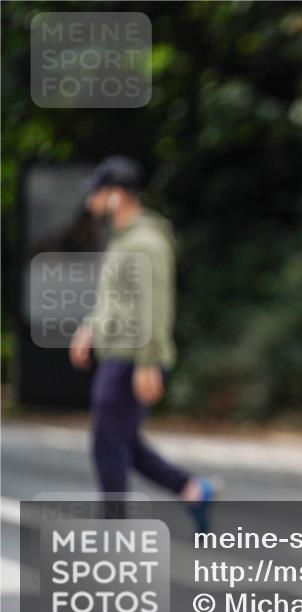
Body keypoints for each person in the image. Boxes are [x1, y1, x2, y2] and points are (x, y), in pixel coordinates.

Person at [68, 156, 214, 531]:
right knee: (122, 442)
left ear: (116, 196)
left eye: (96, 194)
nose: (90, 203)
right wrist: (90, 328)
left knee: (107, 442)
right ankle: (190, 488)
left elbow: (154, 305)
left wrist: (149, 363)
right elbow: (116, 299)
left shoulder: (146, 242)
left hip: (134, 355)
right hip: (119, 350)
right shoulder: (123, 240)